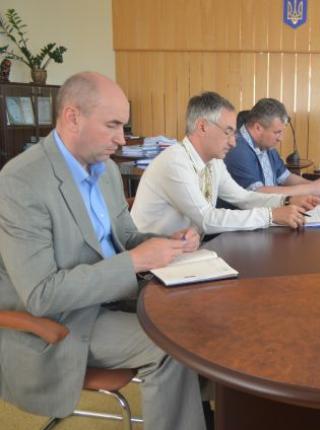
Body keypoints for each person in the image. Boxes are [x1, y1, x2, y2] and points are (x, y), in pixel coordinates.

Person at [0, 72, 206, 430]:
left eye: (123, 126)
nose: (121, 139)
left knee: (203, 314)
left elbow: (126, 237)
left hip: (111, 297)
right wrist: (136, 261)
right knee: (173, 346)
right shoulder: (20, 183)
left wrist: (168, 242)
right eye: (112, 125)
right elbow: (42, 295)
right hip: (64, 319)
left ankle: (201, 413)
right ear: (72, 117)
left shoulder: (106, 169)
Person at [131, 92, 320, 236]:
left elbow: (243, 197)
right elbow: (207, 219)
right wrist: (271, 215)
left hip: (185, 252)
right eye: (228, 132)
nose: (233, 142)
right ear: (202, 126)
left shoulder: (214, 162)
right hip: (153, 264)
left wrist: (286, 201)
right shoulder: (175, 163)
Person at [224, 98, 320, 196]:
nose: (281, 138)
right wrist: (310, 189)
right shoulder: (237, 149)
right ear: (258, 128)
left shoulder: (265, 145)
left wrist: (316, 185)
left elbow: (286, 177)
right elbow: (258, 194)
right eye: (277, 132)